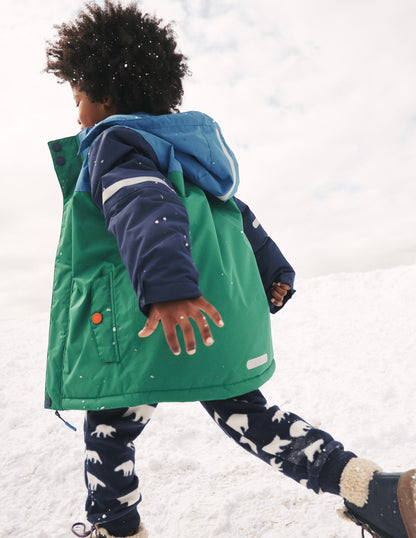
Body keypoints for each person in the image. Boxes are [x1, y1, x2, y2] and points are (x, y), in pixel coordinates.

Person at [44, 2, 416, 537]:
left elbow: (141, 203)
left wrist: (167, 288)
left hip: (152, 319)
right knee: (251, 417)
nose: (78, 114)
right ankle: (374, 491)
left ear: (105, 98)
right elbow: (239, 217)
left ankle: (115, 527)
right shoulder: (191, 160)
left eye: (78, 99)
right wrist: (274, 271)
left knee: (109, 427)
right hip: (207, 314)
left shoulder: (114, 142)